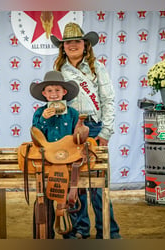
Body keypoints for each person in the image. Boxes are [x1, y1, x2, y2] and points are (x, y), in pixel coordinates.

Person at [50, 22, 122, 239]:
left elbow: (108, 100)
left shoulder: (97, 68)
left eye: (76, 41)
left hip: (93, 127)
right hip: (68, 129)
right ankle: (80, 229)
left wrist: (105, 133)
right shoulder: (59, 71)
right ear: (63, 47)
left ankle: (107, 230)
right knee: (74, 183)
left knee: (98, 185)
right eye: (68, 42)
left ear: (85, 45)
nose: (72, 45)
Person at [30, 70, 80, 239]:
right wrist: (43, 119)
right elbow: (36, 135)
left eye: (57, 90)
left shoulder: (73, 113)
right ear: (44, 94)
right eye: (49, 91)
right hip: (47, 157)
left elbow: (76, 136)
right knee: (43, 196)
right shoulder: (39, 112)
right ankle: (44, 234)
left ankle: (71, 233)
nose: (53, 94)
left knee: (70, 195)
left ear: (64, 92)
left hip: (67, 157)